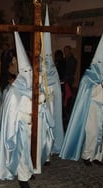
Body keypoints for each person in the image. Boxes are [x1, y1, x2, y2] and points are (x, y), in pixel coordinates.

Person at [0, 29, 54, 188]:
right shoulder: (13, 91)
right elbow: (13, 112)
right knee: (22, 152)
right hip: (21, 126)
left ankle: (29, 171)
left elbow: (42, 105)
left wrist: (41, 102)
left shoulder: (35, 87)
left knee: (32, 150)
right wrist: (30, 103)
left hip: (34, 125)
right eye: (25, 71)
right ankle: (22, 177)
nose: (28, 74)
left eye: (30, 71)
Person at [59, 15, 103, 166]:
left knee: (102, 134)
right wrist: (102, 85)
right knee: (92, 133)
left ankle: (97, 156)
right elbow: (89, 92)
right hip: (92, 108)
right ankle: (86, 155)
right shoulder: (89, 75)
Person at [41, 4, 64, 156]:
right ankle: (43, 149)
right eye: (46, 57)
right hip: (43, 104)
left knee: (52, 123)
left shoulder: (54, 71)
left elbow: (56, 86)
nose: (48, 60)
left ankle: (53, 146)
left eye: (50, 57)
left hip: (52, 103)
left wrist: (53, 92)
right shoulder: (38, 69)